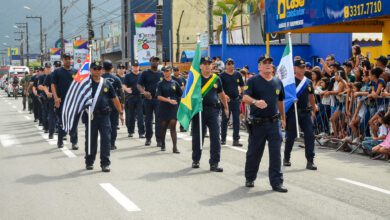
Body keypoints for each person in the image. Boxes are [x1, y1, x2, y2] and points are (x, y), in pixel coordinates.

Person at [243, 55, 287, 192]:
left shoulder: (277, 82)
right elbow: (245, 97)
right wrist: (256, 102)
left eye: (270, 63)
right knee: (254, 153)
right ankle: (250, 177)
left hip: (274, 122)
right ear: (259, 66)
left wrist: (284, 118)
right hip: (258, 124)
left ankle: (277, 183)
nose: (268, 65)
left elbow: (280, 101)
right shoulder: (253, 81)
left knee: (276, 154)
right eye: (265, 63)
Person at [83, 61, 124, 172]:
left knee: (106, 140)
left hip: (105, 116)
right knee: (91, 140)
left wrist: (120, 112)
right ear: (91, 70)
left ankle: (105, 163)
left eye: (99, 68)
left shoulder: (106, 83)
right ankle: (89, 162)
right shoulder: (86, 83)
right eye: (95, 68)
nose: (97, 70)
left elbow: (115, 98)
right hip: (91, 116)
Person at [191, 57, 229, 172]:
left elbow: (221, 94)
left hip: (213, 111)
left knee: (216, 137)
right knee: (198, 136)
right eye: (205, 64)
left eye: (209, 64)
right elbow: (188, 95)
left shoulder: (216, 79)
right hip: (199, 111)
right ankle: (196, 160)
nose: (207, 66)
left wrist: (226, 107)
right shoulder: (196, 79)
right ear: (200, 66)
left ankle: (214, 163)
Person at [284, 59, 318, 170]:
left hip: (305, 112)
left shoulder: (308, 81)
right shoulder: (290, 82)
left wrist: (314, 108)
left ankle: (310, 161)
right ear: (295, 68)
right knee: (291, 136)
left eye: (304, 67)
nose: (302, 69)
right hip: (293, 112)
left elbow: (311, 96)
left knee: (309, 135)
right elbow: (284, 97)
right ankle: (286, 157)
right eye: (300, 67)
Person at [51, 53, 79, 149]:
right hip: (61, 101)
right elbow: (53, 85)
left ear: (71, 60)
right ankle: (60, 141)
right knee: (62, 122)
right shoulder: (57, 72)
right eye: (66, 59)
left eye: (69, 59)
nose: (68, 60)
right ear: (63, 60)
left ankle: (74, 142)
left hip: (73, 102)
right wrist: (56, 98)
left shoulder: (76, 72)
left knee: (74, 122)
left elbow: (79, 85)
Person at [137, 56, 163, 146]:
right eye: (153, 60)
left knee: (159, 120)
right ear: (150, 61)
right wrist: (144, 92)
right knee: (148, 120)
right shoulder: (145, 73)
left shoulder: (161, 74)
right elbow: (139, 85)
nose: (155, 62)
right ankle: (148, 138)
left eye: (156, 60)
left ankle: (159, 140)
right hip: (148, 100)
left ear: (158, 62)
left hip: (158, 100)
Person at [156, 66, 183, 153]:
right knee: (163, 127)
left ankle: (175, 147)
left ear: (170, 72)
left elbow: (181, 94)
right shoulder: (160, 83)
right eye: (164, 71)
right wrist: (168, 100)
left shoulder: (175, 83)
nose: (166, 72)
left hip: (173, 108)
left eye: (168, 71)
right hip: (164, 107)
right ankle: (163, 143)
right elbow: (158, 96)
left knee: (173, 127)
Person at [220, 58, 245, 147]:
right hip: (226, 101)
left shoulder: (237, 74)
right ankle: (223, 139)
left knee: (236, 121)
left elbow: (242, 86)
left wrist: (242, 95)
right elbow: (220, 88)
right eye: (229, 64)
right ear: (226, 65)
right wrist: (224, 96)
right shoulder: (222, 75)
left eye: (232, 64)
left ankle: (236, 140)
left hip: (235, 100)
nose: (231, 66)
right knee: (225, 120)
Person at [101, 60, 124, 150]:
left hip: (102, 105)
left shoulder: (100, 78)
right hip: (114, 104)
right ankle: (112, 143)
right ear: (112, 68)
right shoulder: (116, 79)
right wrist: (122, 106)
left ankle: (106, 143)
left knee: (104, 125)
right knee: (113, 125)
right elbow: (121, 93)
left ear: (103, 68)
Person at [123, 60, 145, 138]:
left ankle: (141, 133)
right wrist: (126, 89)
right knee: (131, 116)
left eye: (137, 66)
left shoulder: (142, 75)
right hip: (131, 98)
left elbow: (145, 84)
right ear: (132, 67)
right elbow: (124, 85)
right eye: (134, 66)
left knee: (140, 116)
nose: (136, 68)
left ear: (139, 67)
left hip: (140, 98)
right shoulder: (128, 76)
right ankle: (130, 131)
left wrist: (144, 91)